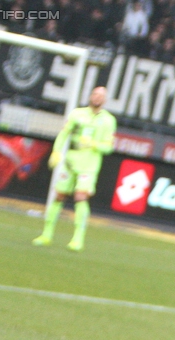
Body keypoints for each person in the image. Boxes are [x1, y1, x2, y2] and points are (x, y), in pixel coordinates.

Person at [32, 87, 117, 251]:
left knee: (80, 196)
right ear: (90, 96)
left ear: (105, 100)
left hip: (89, 164)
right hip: (71, 161)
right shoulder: (77, 114)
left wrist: (92, 144)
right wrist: (57, 151)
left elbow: (109, 147)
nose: (97, 98)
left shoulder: (108, 120)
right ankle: (46, 234)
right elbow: (64, 133)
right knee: (59, 195)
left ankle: (78, 239)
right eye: (95, 94)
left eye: (101, 96)